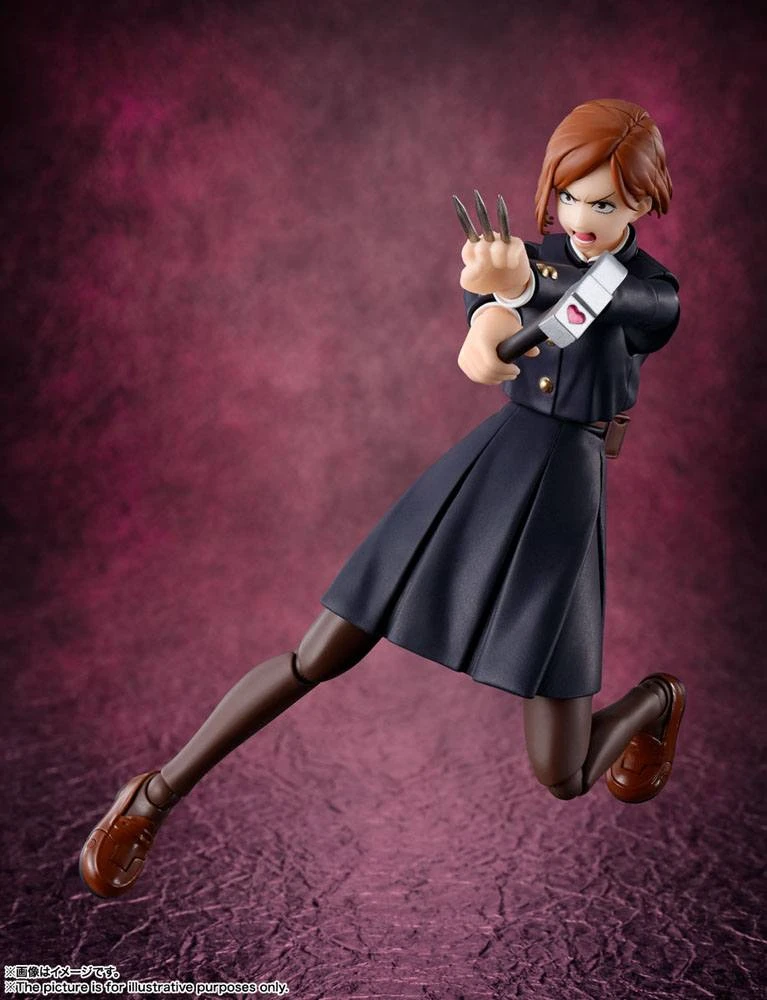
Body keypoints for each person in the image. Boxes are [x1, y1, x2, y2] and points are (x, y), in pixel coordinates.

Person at [80, 98, 686, 900]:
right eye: (568, 196)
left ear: (642, 202)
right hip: (491, 469)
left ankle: (656, 701)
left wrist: (524, 283)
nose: (578, 218)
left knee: (563, 774)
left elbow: (602, 302)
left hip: (565, 502)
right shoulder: (523, 257)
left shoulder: (651, 291)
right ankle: (153, 796)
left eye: (603, 204)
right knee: (318, 654)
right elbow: (487, 337)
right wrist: (488, 316)